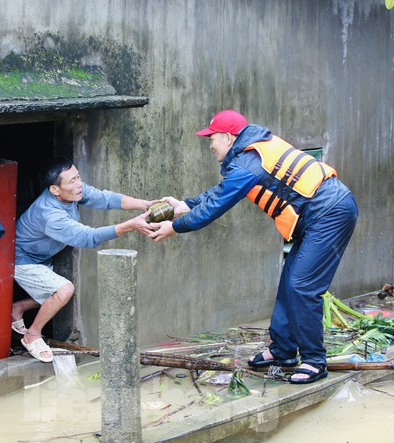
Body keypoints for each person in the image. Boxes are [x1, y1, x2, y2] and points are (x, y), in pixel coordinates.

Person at [148, 110, 358, 384]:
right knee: (289, 284)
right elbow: (222, 191)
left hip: (330, 213)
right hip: (317, 215)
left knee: (301, 287)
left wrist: (174, 227)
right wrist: (183, 205)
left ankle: (314, 361)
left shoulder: (249, 161)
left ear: (227, 137)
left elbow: (216, 206)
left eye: (212, 139)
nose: (210, 145)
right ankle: (283, 351)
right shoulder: (248, 156)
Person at [12, 157, 155, 362]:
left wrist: (145, 204)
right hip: (23, 260)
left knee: (56, 296)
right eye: (72, 181)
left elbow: (106, 199)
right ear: (55, 189)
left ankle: (19, 308)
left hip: (42, 256)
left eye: (78, 177)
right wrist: (131, 225)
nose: (79, 184)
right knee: (64, 290)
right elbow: (88, 238)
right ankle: (32, 335)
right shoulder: (49, 214)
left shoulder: (73, 191)